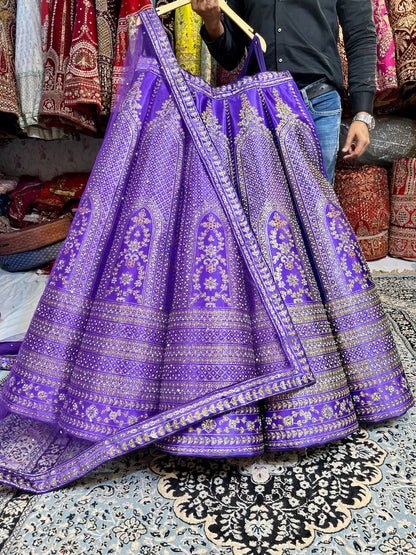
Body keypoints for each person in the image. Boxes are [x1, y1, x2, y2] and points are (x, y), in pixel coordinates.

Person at [0, 4, 412, 493]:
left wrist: (362, 110)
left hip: (314, 105)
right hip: (249, 117)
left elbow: (362, 34)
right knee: (253, 251)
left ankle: (313, 393)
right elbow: (233, 52)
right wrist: (213, 21)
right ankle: (246, 390)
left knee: (304, 250)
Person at [191, 0, 377, 184]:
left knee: (316, 205)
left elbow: (360, 34)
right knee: (265, 205)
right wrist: (212, 21)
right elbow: (230, 56)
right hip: (261, 108)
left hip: (317, 102)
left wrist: (362, 115)